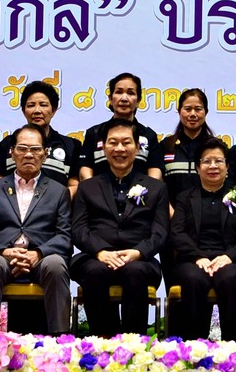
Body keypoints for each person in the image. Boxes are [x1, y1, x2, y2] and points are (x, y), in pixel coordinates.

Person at [70, 120, 169, 334]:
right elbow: (78, 230)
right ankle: (103, 340)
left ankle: (134, 343)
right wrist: (100, 252)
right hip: (96, 258)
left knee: (135, 271)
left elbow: (160, 232)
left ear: (137, 147)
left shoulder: (156, 188)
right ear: (104, 148)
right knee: (95, 271)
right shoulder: (88, 187)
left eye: (126, 142)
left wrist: (138, 252)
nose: (120, 149)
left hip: (139, 260)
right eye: (113, 143)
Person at [0, 125, 74, 334]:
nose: (29, 154)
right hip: (4, 257)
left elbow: (64, 237)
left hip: (42, 258)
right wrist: (5, 252)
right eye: (22, 148)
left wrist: (37, 254)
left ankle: (60, 339)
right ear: (12, 152)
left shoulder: (59, 191)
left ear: (45, 154)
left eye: (35, 149)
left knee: (56, 265)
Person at [166, 142, 236, 341]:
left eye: (218, 161)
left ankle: (230, 344)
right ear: (198, 167)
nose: (213, 166)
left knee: (229, 278)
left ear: (227, 166)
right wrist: (198, 256)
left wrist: (228, 257)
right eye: (207, 161)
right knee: (194, 279)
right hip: (192, 260)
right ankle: (195, 345)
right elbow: (177, 233)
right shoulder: (184, 198)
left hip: (230, 260)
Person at [0, 80, 79, 187]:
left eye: (43, 105)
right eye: (31, 105)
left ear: (54, 110)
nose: (37, 110)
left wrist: (58, 198)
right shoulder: (8, 143)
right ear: (23, 111)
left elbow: (73, 185)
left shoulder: (71, 145)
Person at [79, 72, 161, 180]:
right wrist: (93, 189)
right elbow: (85, 169)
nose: (124, 98)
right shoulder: (94, 133)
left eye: (131, 93)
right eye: (119, 92)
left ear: (138, 100)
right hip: (99, 190)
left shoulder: (149, 135)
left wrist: (148, 190)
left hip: (140, 190)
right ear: (110, 98)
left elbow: (155, 172)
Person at [155, 88, 218, 197]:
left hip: (206, 207)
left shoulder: (215, 147)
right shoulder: (166, 146)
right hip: (171, 207)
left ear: (206, 112)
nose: (193, 114)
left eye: (198, 109)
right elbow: (158, 185)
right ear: (179, 111)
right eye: (187, 109)